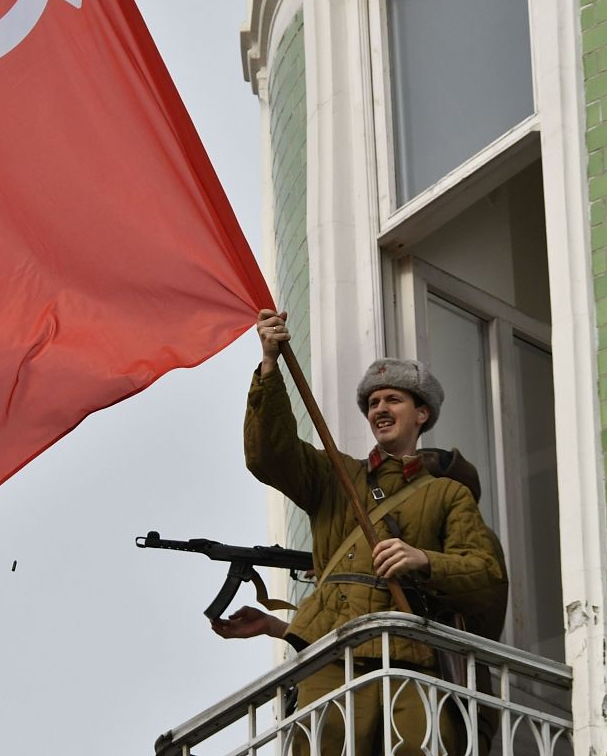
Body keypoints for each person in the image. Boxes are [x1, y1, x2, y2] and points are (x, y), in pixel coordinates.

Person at [212, 309, 508, 756]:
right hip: (333, 660)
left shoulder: (447, 495)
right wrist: (270, 366)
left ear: (422, 414)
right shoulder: (336, 478)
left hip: (412, 658)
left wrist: (423, 559)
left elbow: (486, 576)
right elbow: (269, 456)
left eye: (393, 400)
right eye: (373, 404)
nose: (381, 410)